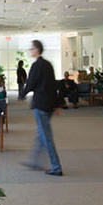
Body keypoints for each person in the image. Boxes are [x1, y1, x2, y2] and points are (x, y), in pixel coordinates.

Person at [21, 40, 63, 176]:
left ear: (37, 49)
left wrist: (22, 94)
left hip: (40, 105)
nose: (30, 50)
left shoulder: (36, 66)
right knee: (41, 134)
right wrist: (57, 104)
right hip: (49, 105)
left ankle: (56, 167)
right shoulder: (48, 65)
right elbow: (53, 85)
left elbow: (31, 83)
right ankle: (34, 161)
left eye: (31, 48)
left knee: (46, 137)